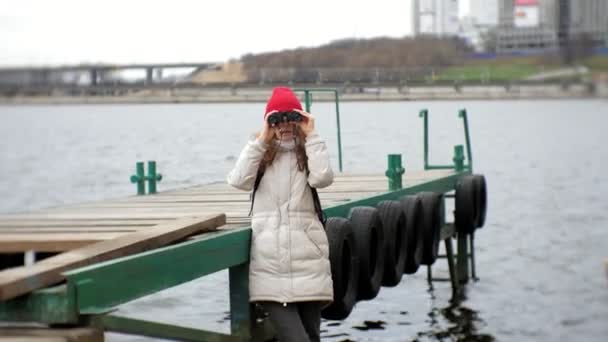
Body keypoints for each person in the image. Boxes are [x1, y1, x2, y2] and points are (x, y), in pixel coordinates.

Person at [227, 86, 334, 341]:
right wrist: (261, 140)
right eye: (277, 120)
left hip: (308, 264)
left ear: (300, 120)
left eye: (291, 118)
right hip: (270, 269)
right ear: (268, 123)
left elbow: (323, 178)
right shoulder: (259, 154)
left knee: (312, 337)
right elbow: (238, 181)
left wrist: (313, 135)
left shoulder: (308, 151)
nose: (284, 125)